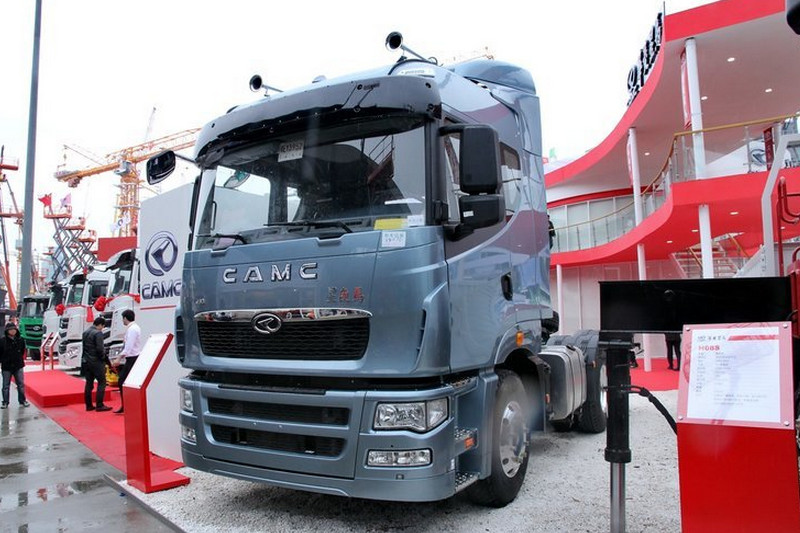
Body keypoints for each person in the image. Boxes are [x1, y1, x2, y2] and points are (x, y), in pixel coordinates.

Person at [114, 309, 142, 414]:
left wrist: (119, 358)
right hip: (132, 358)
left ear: (125, 318)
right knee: (124, 381)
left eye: (122, 319)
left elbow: (128, 347)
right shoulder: (133, 328)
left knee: (122, 381)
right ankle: (126, 405)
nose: (122, 321)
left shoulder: (132, 329)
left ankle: (127, 406)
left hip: (132, 358)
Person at [83, 317, 112, 412]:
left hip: (87, 361)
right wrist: (104, 359)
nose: (102, 329)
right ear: (100, 325)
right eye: (102, 327)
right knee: (102, 382)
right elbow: (100, 349)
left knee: (89, 384)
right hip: (96, 362)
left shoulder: (85, 332)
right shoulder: (98, 333)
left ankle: (88, 405)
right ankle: (99, 405)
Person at [1, 322, 30, 409]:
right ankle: (5, 402)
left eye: (14, 329)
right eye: (10, 330)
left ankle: (22, 400)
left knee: (20, 384)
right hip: (6, 366)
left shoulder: (20, 339)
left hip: (18, 365)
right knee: (6, 386)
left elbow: (22, 350)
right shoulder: (2, 341)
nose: (13, 331)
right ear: (7, 331)